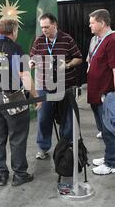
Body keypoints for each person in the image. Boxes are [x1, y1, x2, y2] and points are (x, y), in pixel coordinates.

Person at [0, 19, 41, 187]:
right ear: (14, 31)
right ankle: (20, 174)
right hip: (12, 97)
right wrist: (36, 96)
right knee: (17, 136)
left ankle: (1, 174)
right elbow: (24, 75)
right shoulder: (16, 49)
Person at [29, 13, 82, 160]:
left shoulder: (67, 39)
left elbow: (78, 58)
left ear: (55, 25)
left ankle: (66, 144)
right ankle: (43, 147)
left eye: (47, 27)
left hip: (65, 85)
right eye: (42, 27)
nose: (44, 30)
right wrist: (32, 63)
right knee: (43, 118)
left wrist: (68, 64)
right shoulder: (39, 40)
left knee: (67, 117)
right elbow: (33, 56)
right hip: (44, 86)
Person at [87, 9, 115, 175]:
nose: (90, 25)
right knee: (104, 130)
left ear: (102, 23)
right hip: (98, 94)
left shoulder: (114, 41)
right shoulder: (101, 40)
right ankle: (109, 155)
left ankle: (112, 163)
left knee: (111, 130)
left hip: (108, 95)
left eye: (92, 22)